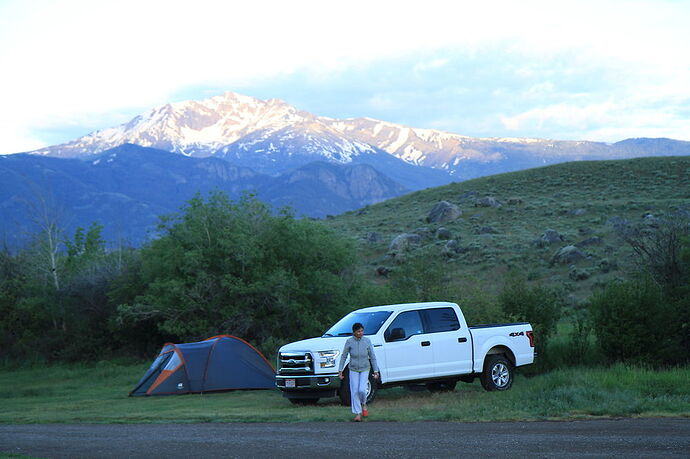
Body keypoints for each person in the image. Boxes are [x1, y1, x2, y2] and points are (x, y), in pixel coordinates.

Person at [338, 322, 380, 422]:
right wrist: (340, 370)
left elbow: (373, 357)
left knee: (362, 390)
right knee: (355, 391)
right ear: (354, 332)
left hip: (365, 368)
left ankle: (364, 404)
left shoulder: (367, 341)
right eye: (358, 331)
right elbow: (344, 356)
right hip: (353, 369)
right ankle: (357, 413)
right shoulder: (349, 341)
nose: (361, 333)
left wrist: (376, 371)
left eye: (362, 331)